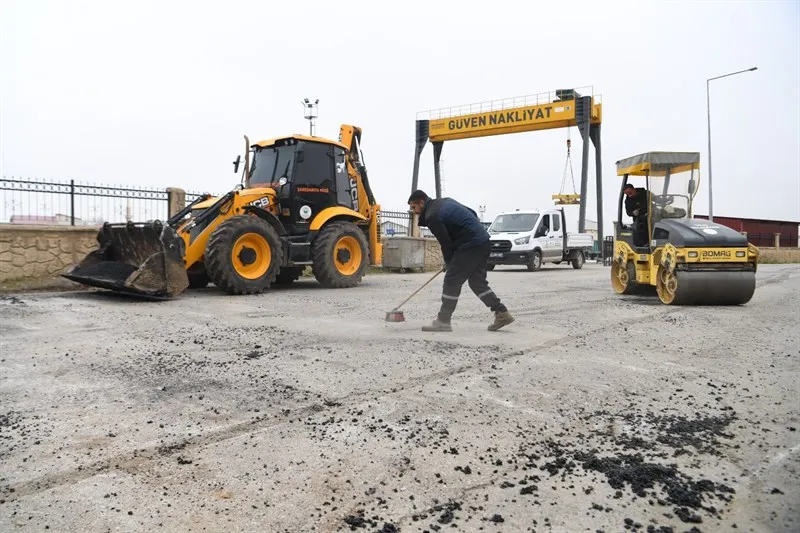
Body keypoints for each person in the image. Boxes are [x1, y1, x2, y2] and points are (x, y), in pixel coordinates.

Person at [407, 190, 514, 332]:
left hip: (470, 245)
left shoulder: (432, 215)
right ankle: (502, 313)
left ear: (421, 202)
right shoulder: (444, 202)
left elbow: (445, 243)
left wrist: (449, 262)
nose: (413, 211)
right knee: (477, 282)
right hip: (483, 241)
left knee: (452, 281)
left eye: (414, 207)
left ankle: (443, 321)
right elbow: (472, 213)